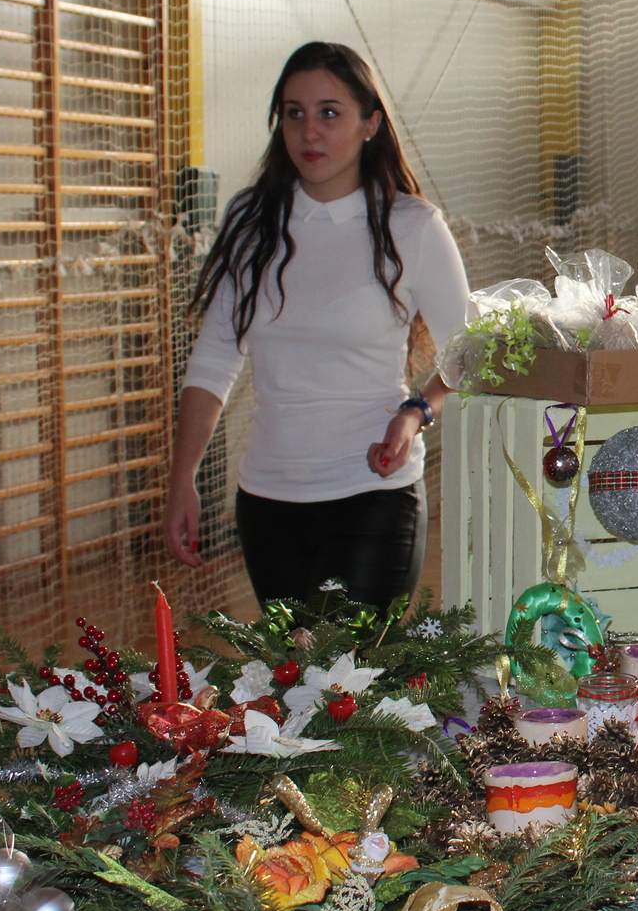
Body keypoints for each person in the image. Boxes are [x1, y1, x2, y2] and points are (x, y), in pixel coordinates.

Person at [161, 42, 470, 611]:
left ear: (370, 123)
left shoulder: (413, 226)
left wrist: (416, 412)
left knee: (345, 685)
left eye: (330, 112)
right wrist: (183, 480)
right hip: (266, 503)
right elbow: (212, 361)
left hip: (373, 499)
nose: (309, 131)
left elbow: (472, 353)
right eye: (294, 112)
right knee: (292, 687)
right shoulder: (250, 221)